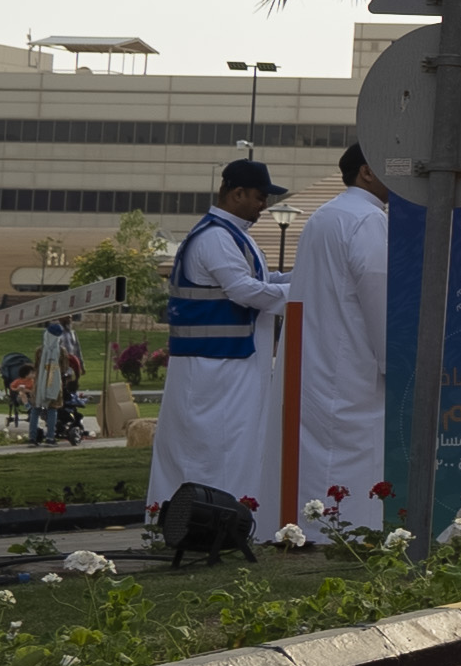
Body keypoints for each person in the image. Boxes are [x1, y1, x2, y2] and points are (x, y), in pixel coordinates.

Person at [149, 159, 292, 535]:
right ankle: (205, 527)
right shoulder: (216, 238)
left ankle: (226, 524)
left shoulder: (232, 235)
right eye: (260, 197)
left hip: (227, 364)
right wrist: (304, 294)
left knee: (229, 450)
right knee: (211, 453)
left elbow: (261, 280)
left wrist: (310, 276)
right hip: (214, 369)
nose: (264, 206)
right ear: (236, 193)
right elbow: (245, 291)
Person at [293, 145, 394, 530]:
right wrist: (392, 363)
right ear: (366, 172)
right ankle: (351, 535)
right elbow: (377, 294)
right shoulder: (367, 219)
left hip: (319, 357)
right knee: (353, 459)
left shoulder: (325, 215)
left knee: (322, 457)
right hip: (353, 363)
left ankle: (316, 533)